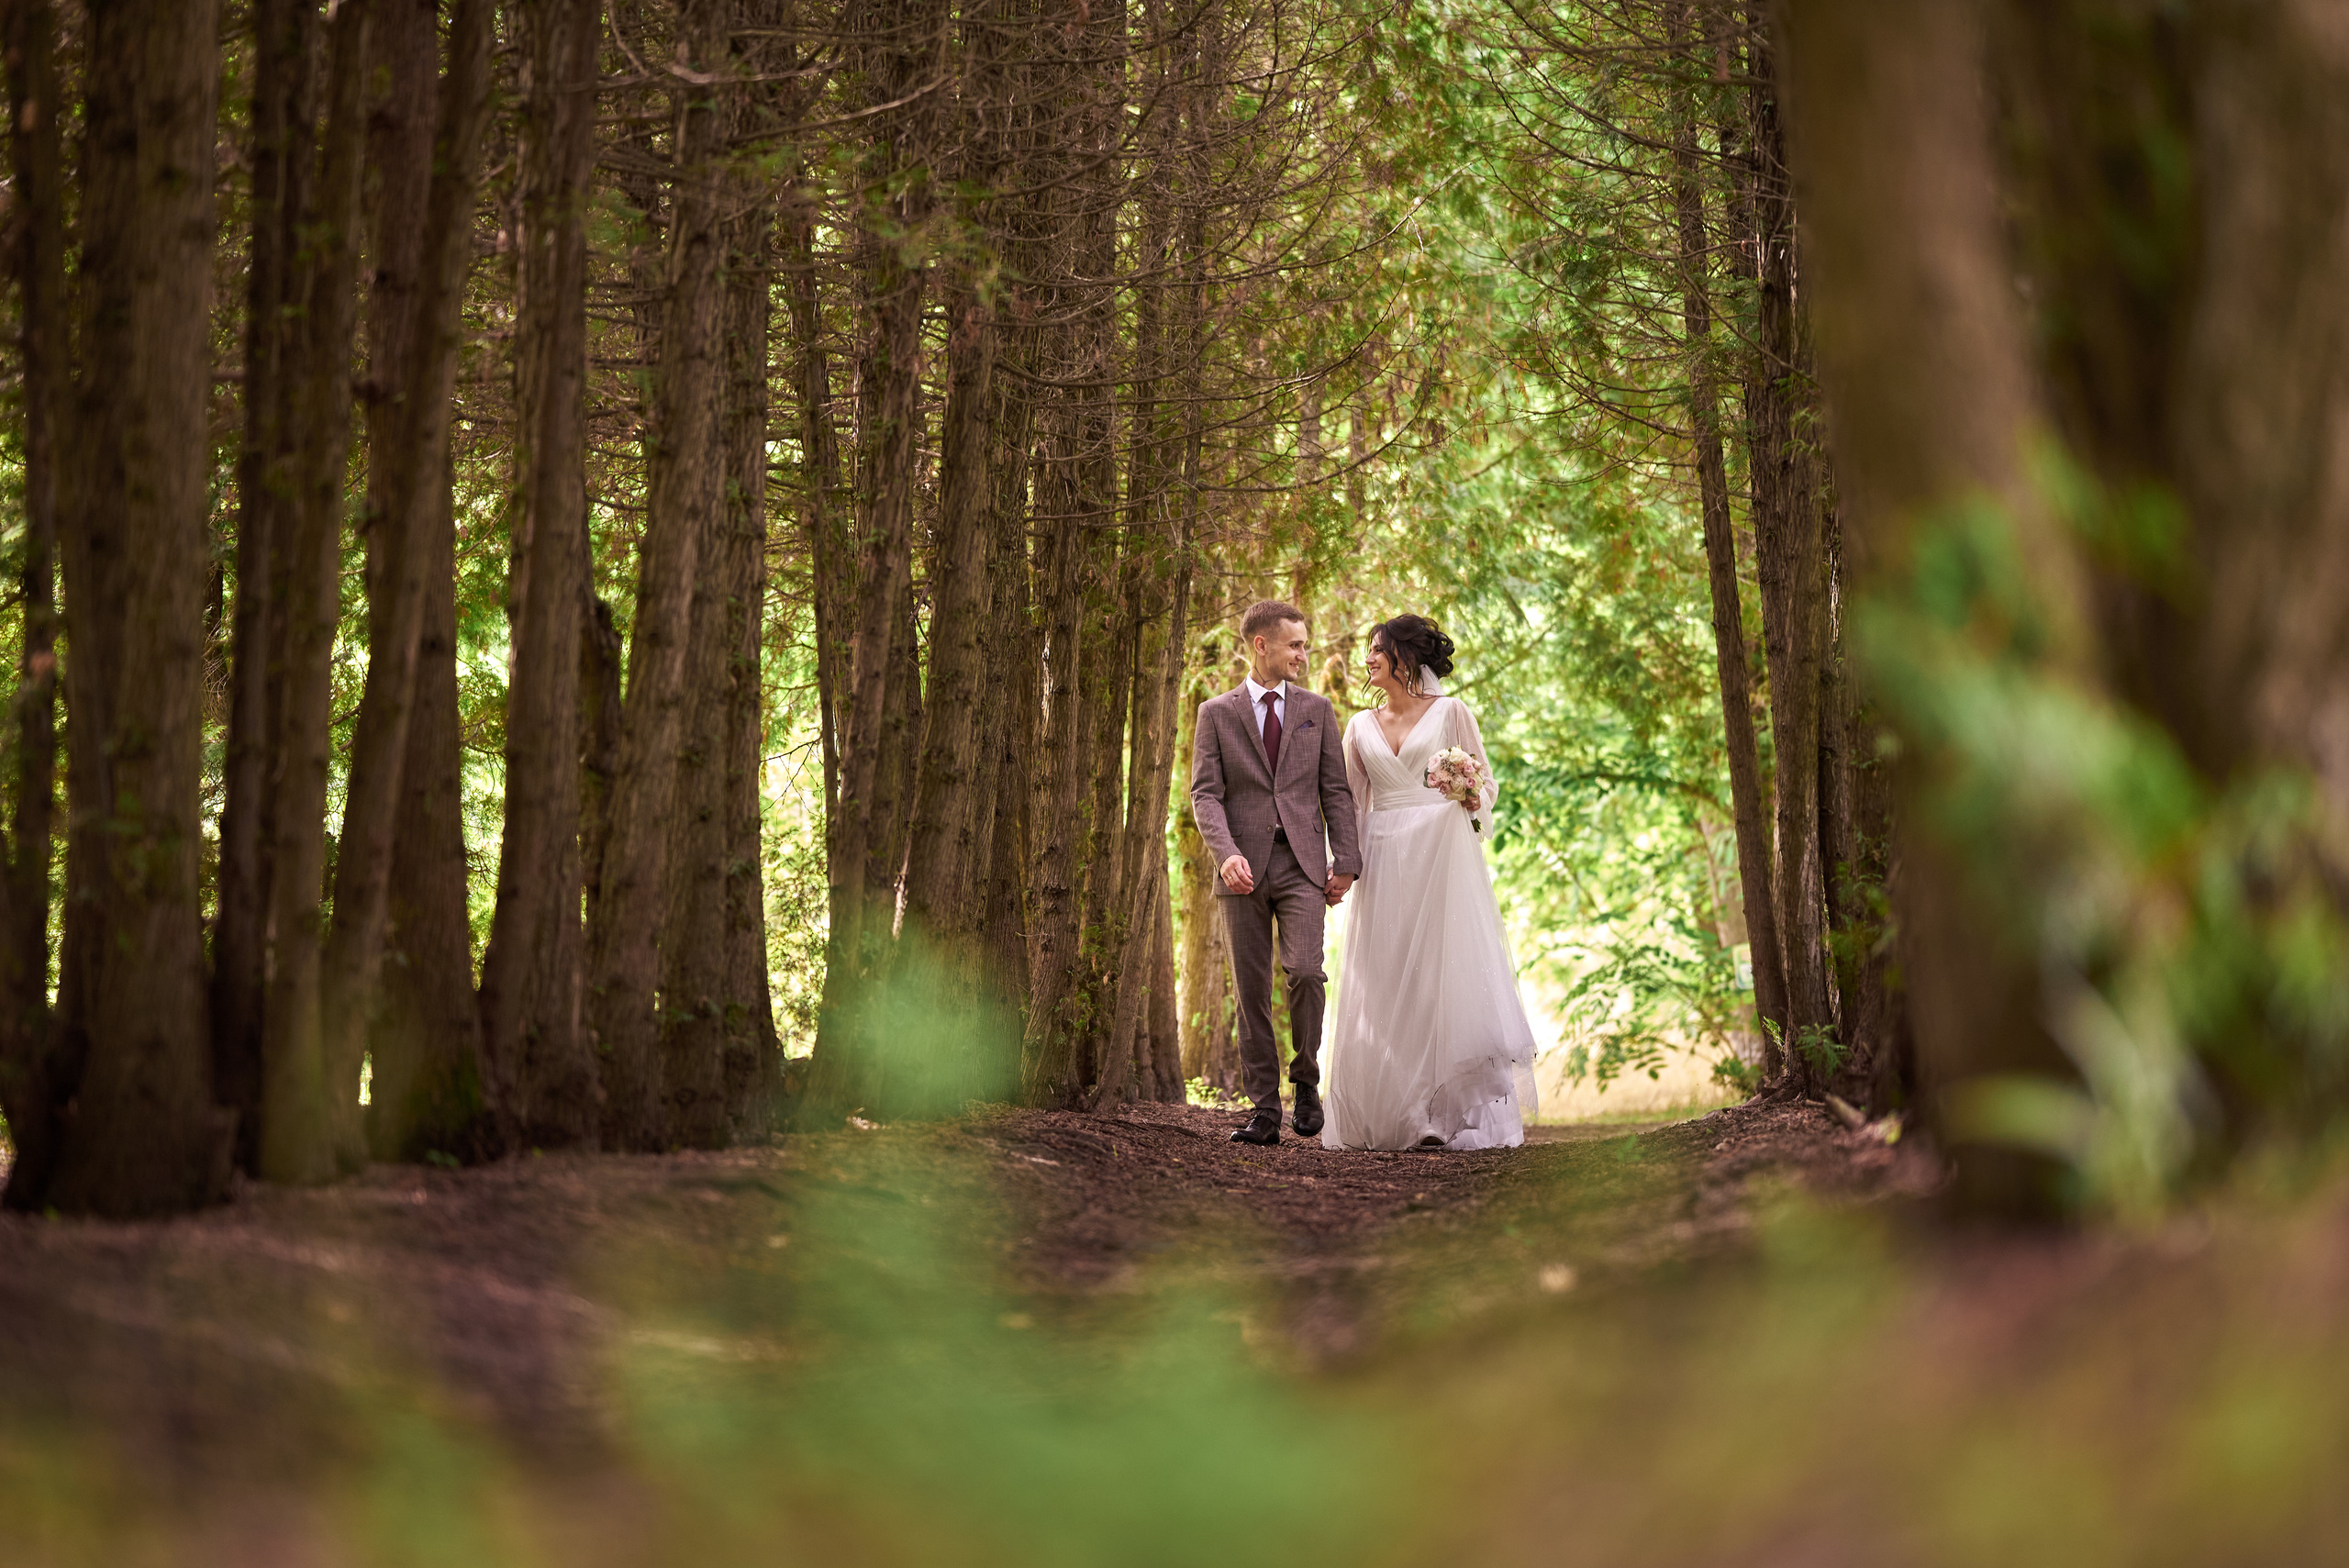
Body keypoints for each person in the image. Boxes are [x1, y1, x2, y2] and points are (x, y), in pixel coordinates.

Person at [1322, 613, 1538, 1151]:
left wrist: (1468, 796)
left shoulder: (1452, 713)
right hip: (1383, 854)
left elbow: (1485, 785)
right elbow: (1348, 803)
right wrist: (1340, 864)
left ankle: (1439, 1114)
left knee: (1435, 979)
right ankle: (1399, 1107)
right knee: (1385, 979)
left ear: (1405, 656)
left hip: (1439, 855)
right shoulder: (1357, 727)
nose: (1368, 658)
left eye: (1377, 649)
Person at [1188, 600, 1362, 1145]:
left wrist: (1347, 863)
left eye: (1305, 645)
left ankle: (1305, 1080)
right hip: (1240, 870)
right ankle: (1264, 1109)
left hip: (1302, 865)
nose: (1303, 655)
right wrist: (1226, 853)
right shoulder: (1216, 713)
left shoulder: (1317, 709)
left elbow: (1335, 790)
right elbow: (1205, 794)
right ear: (1261, 645)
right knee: (1251, 991)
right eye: (1295, 645)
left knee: (1307, 972)